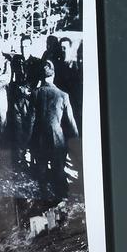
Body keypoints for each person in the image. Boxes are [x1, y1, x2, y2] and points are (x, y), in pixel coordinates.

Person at [29, 61, 79, 203]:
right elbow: (70, 121)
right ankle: (61, 197)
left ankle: (44, 198)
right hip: (57, 138)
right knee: (58, 170)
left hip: (39, 138)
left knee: (42, 170)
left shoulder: (35, 94)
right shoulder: (63, 95)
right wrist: (76, 140)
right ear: (54, 75)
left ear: (41, 77)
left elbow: (31, 121)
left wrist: (28, 140)